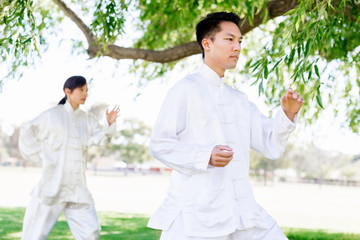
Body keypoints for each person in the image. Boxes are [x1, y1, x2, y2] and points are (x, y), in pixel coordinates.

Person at [147, 12, 304, 240]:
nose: (237, 47)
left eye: (240, 41)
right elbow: (160, 144)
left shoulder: (239, 100)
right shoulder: (185, 90)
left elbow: (270, 144)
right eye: (230, 39)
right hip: (198, 214)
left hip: (244, 212)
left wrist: (288, 114)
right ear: (207, 44)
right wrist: (205, 155)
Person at [18, 76, 120, 240]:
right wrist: (42, 154)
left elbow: (99, 137)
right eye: (81, 89)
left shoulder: (86, 119)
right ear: (68, 91)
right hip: (52, 187)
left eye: (87, 90)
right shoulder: (52, 116)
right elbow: (27, 129)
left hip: (77, 188)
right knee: (34, 235)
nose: (85, 93)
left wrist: (108, 124)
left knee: (91, 233)